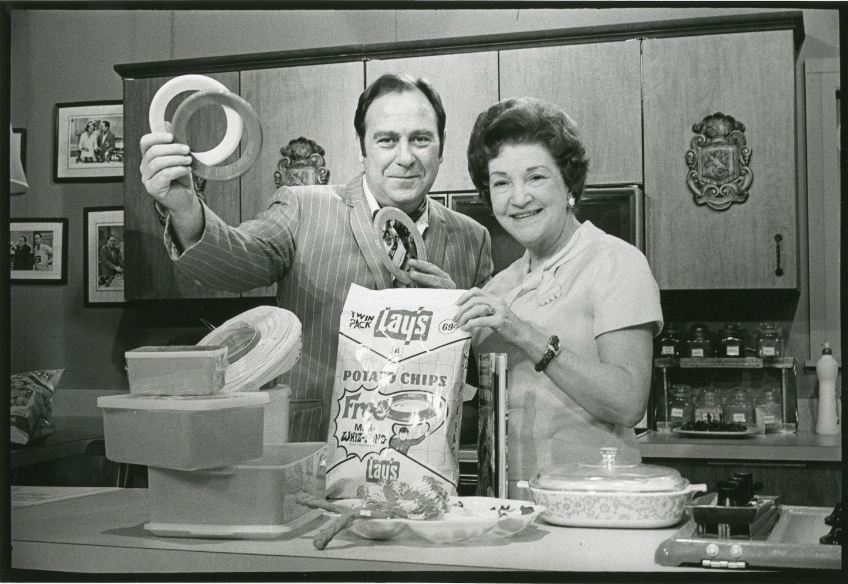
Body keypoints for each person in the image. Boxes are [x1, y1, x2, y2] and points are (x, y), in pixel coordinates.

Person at [139, 73, 494, 442]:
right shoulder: (303, 206)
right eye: (387, 140)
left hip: (422, 454)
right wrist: (184, 208)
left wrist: (455, 321)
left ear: (441, 146)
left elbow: (484, 370)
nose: (405, 157)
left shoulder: (472, 238)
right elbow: (237, 262)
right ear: (363, 148)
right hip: (314, 447)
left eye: (420, 139)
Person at [454, 97, 663, 499]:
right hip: (509, 507)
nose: (518, 197)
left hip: (594, 505)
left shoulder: (616, 263)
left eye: (535, 177)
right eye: (501, 182)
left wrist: (525, 334)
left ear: (568, 184)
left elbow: (627, 402)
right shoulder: (500, 285)